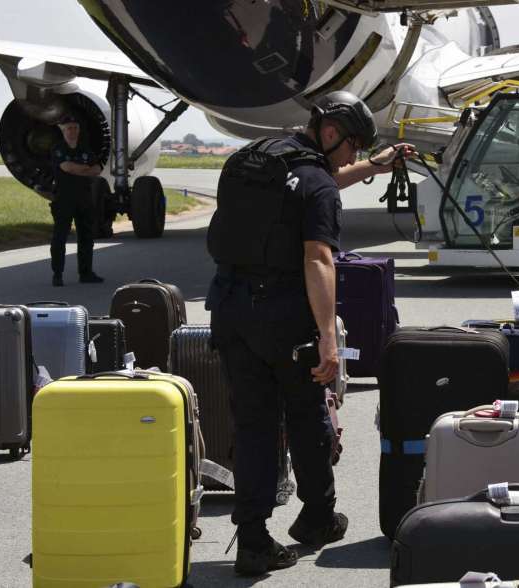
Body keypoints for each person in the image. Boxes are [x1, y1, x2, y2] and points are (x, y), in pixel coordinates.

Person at [205, 90, 415, 577]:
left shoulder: (257, 159)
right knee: (308, 416)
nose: (354, 157)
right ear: (331, 132)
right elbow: (318, 257)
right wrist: (327, 338)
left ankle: (253, 540)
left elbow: (313, 184)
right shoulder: (315, 182)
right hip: (284, 317)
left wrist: (374, 168)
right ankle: (317, 516)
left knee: (254, 424)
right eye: (353, 147)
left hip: (231, 310)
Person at [49, 113, 105, 286]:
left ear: (78, 130)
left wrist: (80, 169)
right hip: (64, 199)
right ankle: (58, 274)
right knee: (60, 237)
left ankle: (86, 273)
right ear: (63, 131)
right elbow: (67, 167)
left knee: (86, 237)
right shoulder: (58, 149)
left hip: (84, 199)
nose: (72, 131)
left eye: (75, 128)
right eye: (69, 128)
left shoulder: (85, 149)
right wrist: (84, 168)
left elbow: (97, 169)